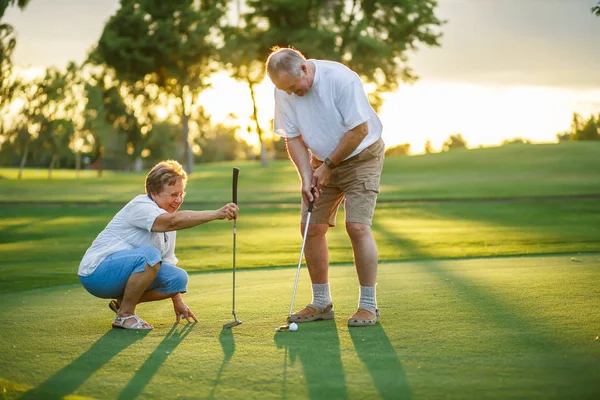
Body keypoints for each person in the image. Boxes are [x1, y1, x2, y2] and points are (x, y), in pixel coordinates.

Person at [266, 47, 385, 327]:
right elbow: (292, 137)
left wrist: (328, 167)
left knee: (356, 226)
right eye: (286, 90)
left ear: (304, 69)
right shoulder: (283, 89)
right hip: (321, 162)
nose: (293, 94)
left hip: (362, 157)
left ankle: (368, 305)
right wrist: (307, 177)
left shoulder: (341, 80)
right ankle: (321, 303)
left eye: (295, 87)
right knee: (311, 226)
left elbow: (359, 131)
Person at [78, 160, 239, 330]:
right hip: (97, 274)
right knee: (150, 255)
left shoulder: (169, 218)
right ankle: (125, 315)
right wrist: (216, 214)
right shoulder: (141, 207)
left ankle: (122, 304)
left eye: (181, 194)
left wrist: (178, 303)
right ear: (154, 193)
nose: (178, 200)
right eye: (173, 195)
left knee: (178, 279)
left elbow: (167, 260)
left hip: (122, 274)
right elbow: (171, 223)